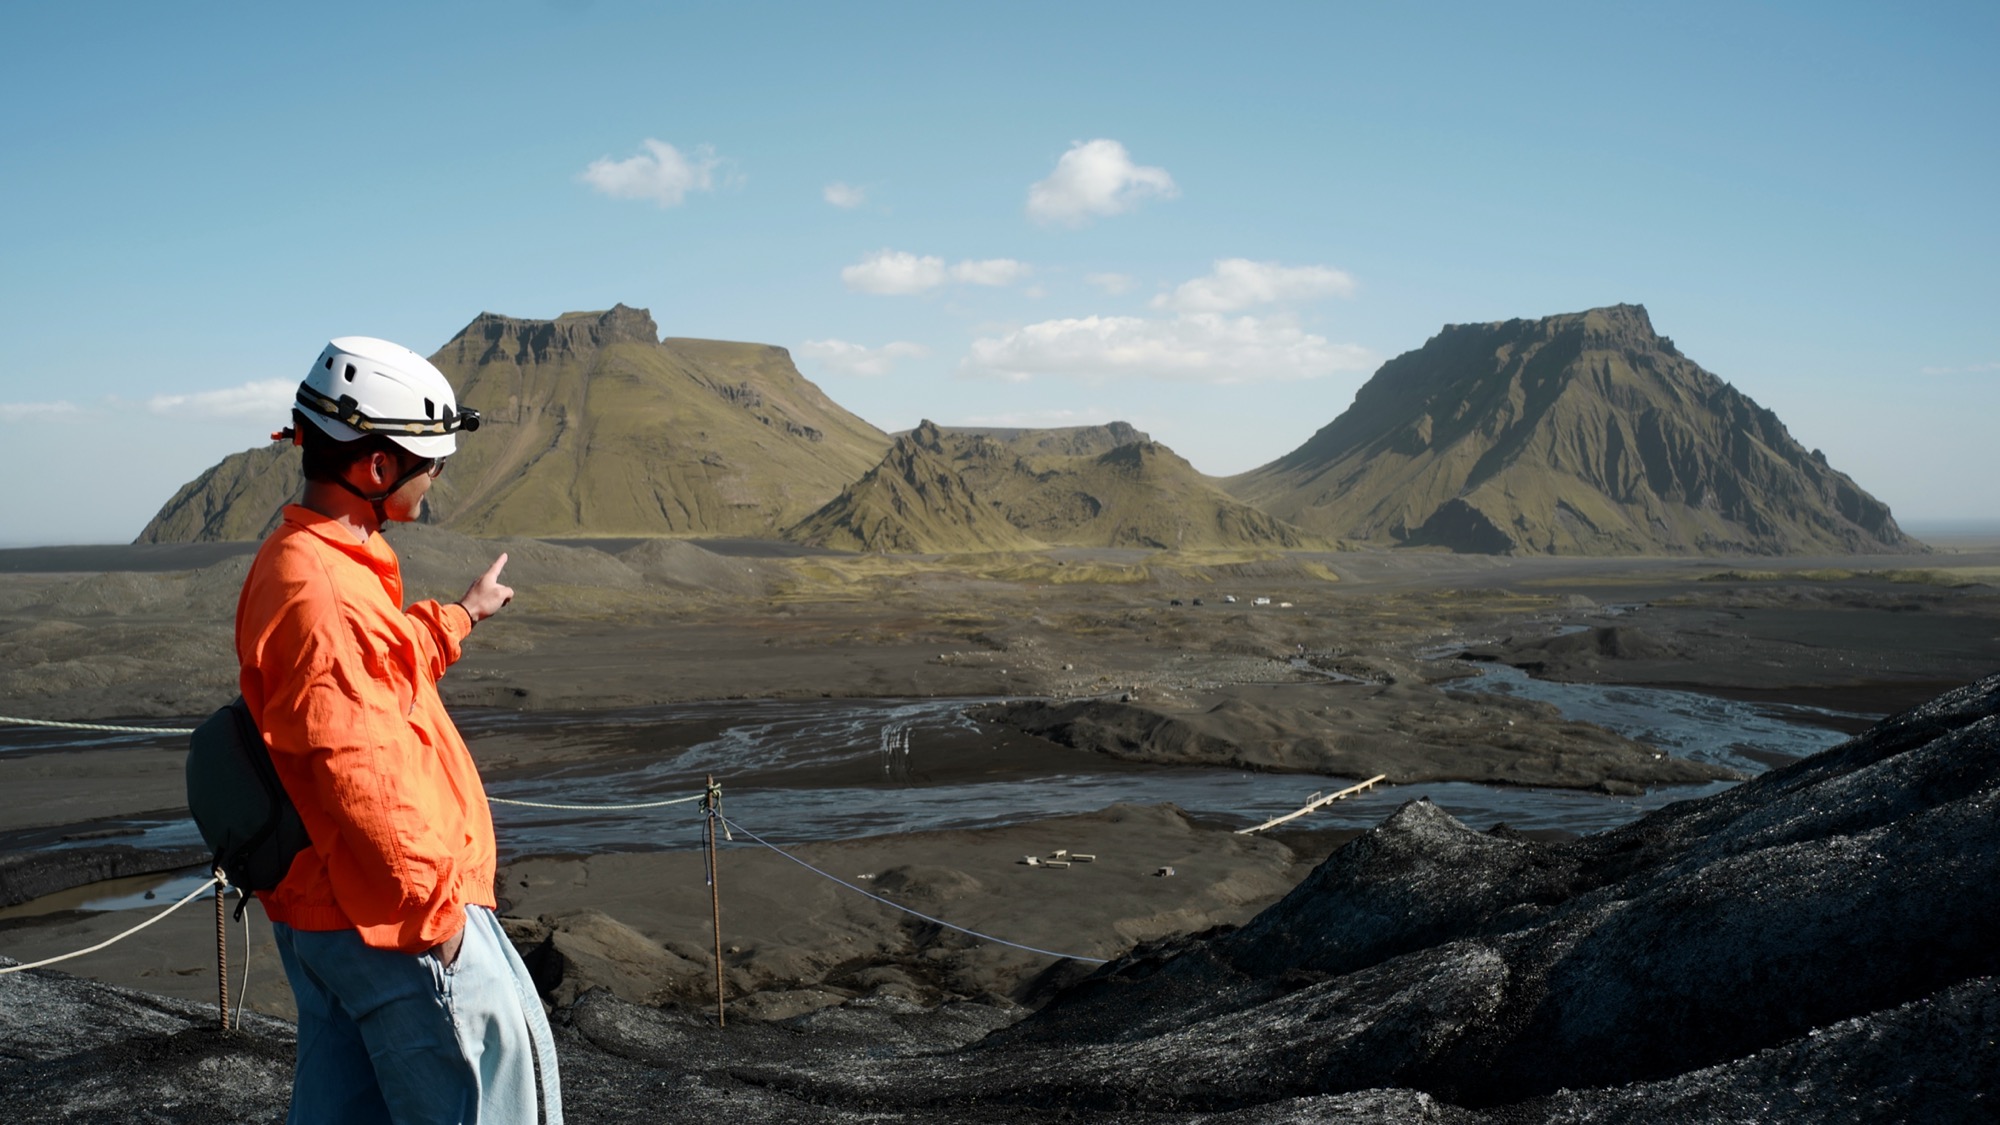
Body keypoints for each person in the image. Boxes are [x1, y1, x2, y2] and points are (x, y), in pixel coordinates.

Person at [237, 336, 562, 1124]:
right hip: (389, 920)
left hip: (331, 906)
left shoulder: (315, 557)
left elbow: (372, 670)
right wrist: (437, 922)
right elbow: (361, 768)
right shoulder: (326, 590)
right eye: (431, 464)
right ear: (377, 468)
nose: (437, 480)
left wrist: (460, 614)